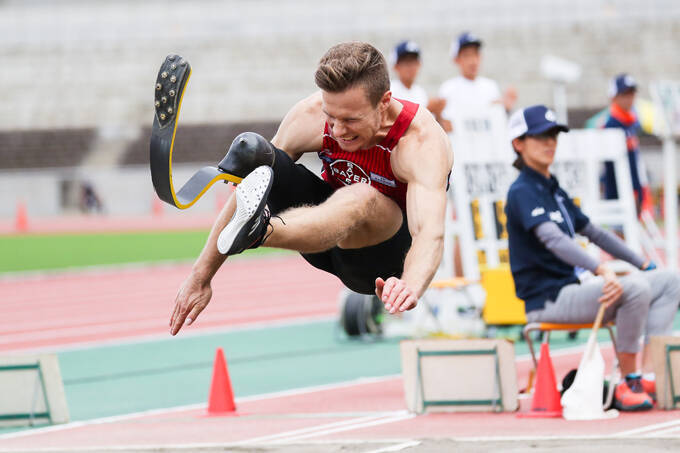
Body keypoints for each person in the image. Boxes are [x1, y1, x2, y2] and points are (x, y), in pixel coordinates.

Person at [169, 42, 453, 337]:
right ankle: (254, 227)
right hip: (318, 232)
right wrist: (201, 276)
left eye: (351, 120)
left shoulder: (420, 142)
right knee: (254, 151)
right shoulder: (311, 114)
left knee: (363, 195)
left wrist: (410, 283)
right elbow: (252, 190)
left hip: (378, 262)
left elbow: (430, 234)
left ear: (384, 102)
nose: (338, 130)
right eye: (332, 117)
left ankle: (261, 233)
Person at [505, 104, 680, 411]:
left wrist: (643, 263)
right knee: (635, 288)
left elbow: (596, 233)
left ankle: (653, 374)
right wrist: (601, 268)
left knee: (668, 280)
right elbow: (553, 239)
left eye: (553, 136)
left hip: (574, 288)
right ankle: (630, 380)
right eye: (540, 136)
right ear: (518, 143)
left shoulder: (553, 190)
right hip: (548, 300)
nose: (550, 143)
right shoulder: (522, 191)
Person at [436, 31, 516, 132]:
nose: (473, 61)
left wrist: (506, 108)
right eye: (467, 55)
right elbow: (446, 126)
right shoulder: (448, 89)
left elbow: (498, 124)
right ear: (456, 59)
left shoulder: (490, 86)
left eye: (475, 54)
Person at [601, 73, 654, 216]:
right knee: (620, 233)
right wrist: (629, 192)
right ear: (614, 97)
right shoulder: (611, 125)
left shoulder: (630, 123)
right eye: (625, 94)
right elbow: (611, 168)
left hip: (634, 189)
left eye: (632, 94)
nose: (629, 99)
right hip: (619, 193)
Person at [389, 40, 429, 106]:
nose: (411, 67)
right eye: (406, 62)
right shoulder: (390, 91)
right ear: (395, 66)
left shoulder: (421, 92)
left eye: (414, 62)